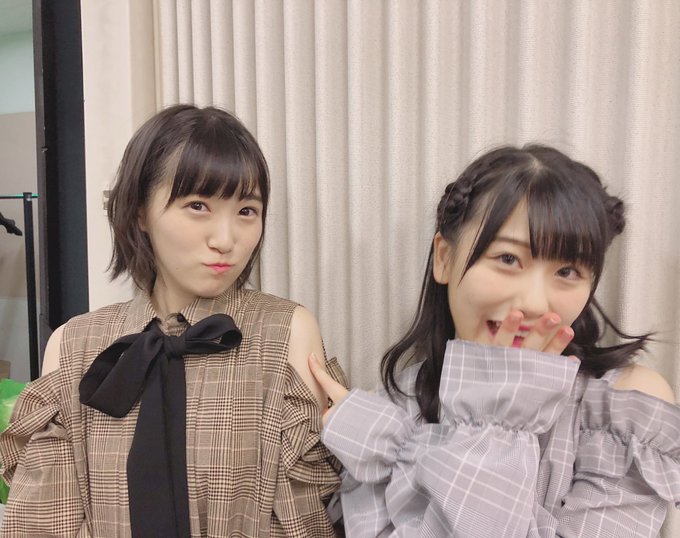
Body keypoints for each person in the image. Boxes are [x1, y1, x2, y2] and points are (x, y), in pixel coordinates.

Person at [0, 104, 346, 537]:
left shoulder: (287, 332)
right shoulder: (74, 345)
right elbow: (47, 523)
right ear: (140, 212)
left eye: (246, 211)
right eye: (198, 205)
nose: (226, 240)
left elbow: (303, 520)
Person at [310, 145, 680, 537]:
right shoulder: (394, 411)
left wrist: (496, 419)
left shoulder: (624, 410)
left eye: (567, 271)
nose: (534, 303)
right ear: (444, 258)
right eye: (508, 259)